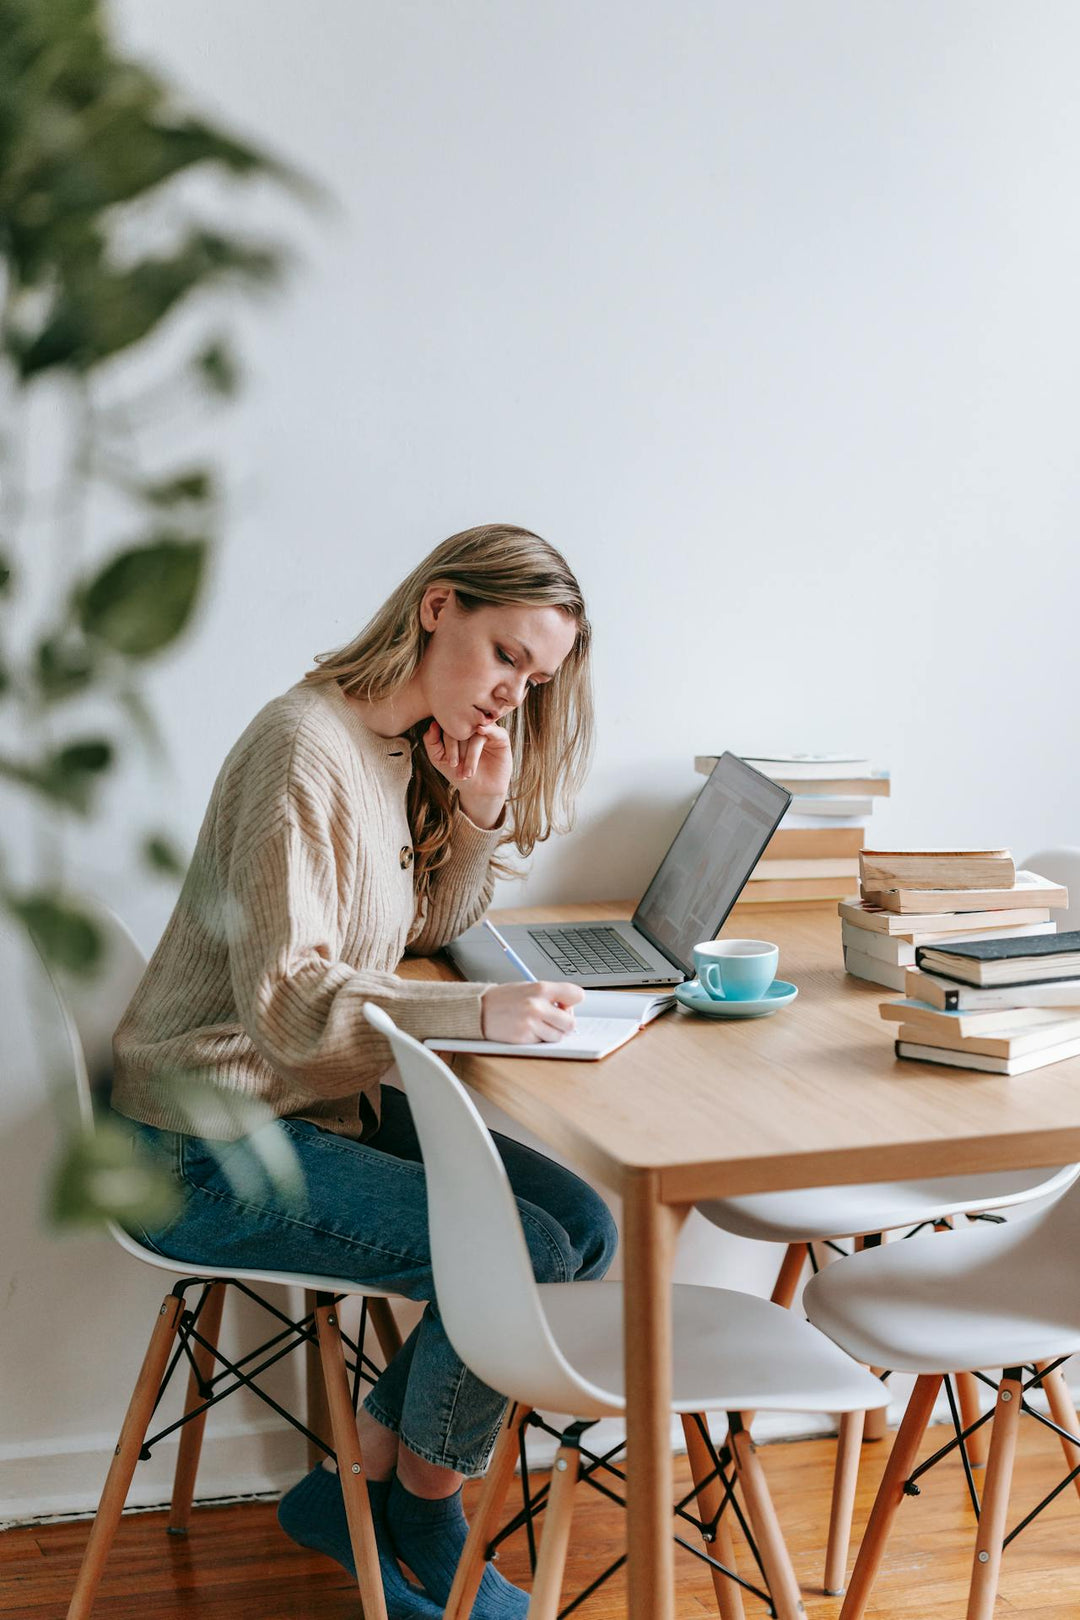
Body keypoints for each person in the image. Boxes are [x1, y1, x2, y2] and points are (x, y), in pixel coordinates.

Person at [111, 523, 619, 1618]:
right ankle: (426, 1513)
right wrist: (481, 1007)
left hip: (309, 1106)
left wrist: (475, 814)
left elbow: (409, 928)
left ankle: (355, 1487)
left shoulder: (393, 745)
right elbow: (294, 999)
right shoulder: (304, 746)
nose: (510, 699)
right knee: (521, 1252)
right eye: (504, 658)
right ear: (438, 606)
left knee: (582, 1225)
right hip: (201, 1142)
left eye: (534, 681)